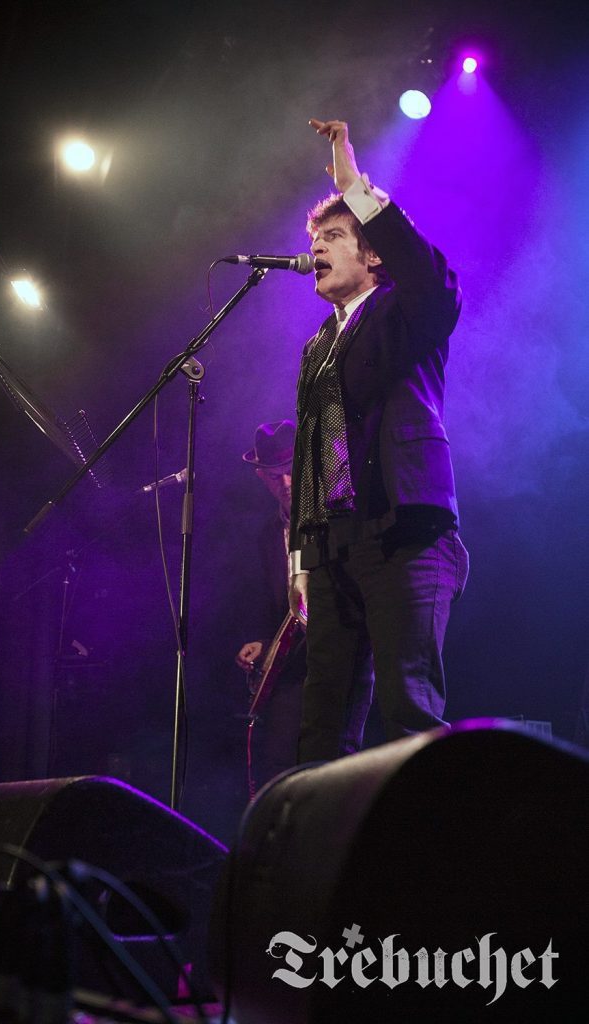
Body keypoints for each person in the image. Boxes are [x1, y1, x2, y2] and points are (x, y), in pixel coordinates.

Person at [288, 118, 469, 764]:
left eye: (333, 237)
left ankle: (427, 830)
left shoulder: (403, 309)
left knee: (406, 710)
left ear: (372, 256)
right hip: (333, 546)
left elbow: (432, 280)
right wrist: (300, 560)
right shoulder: (316, 345)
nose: (317, 247)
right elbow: (310, 450)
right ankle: (325, 833)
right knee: (322, 727)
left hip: (402, 530)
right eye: (314, 239)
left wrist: (355, 189)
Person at [236, 420, 306, 789]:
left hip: (337, 659)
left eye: (292, 471)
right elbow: (274, 608)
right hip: (292, 670)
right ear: (263, 478)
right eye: (276, 476)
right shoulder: (266, 536)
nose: (287, 483)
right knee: (280, 768)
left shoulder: (337, 519)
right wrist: (263, 643)